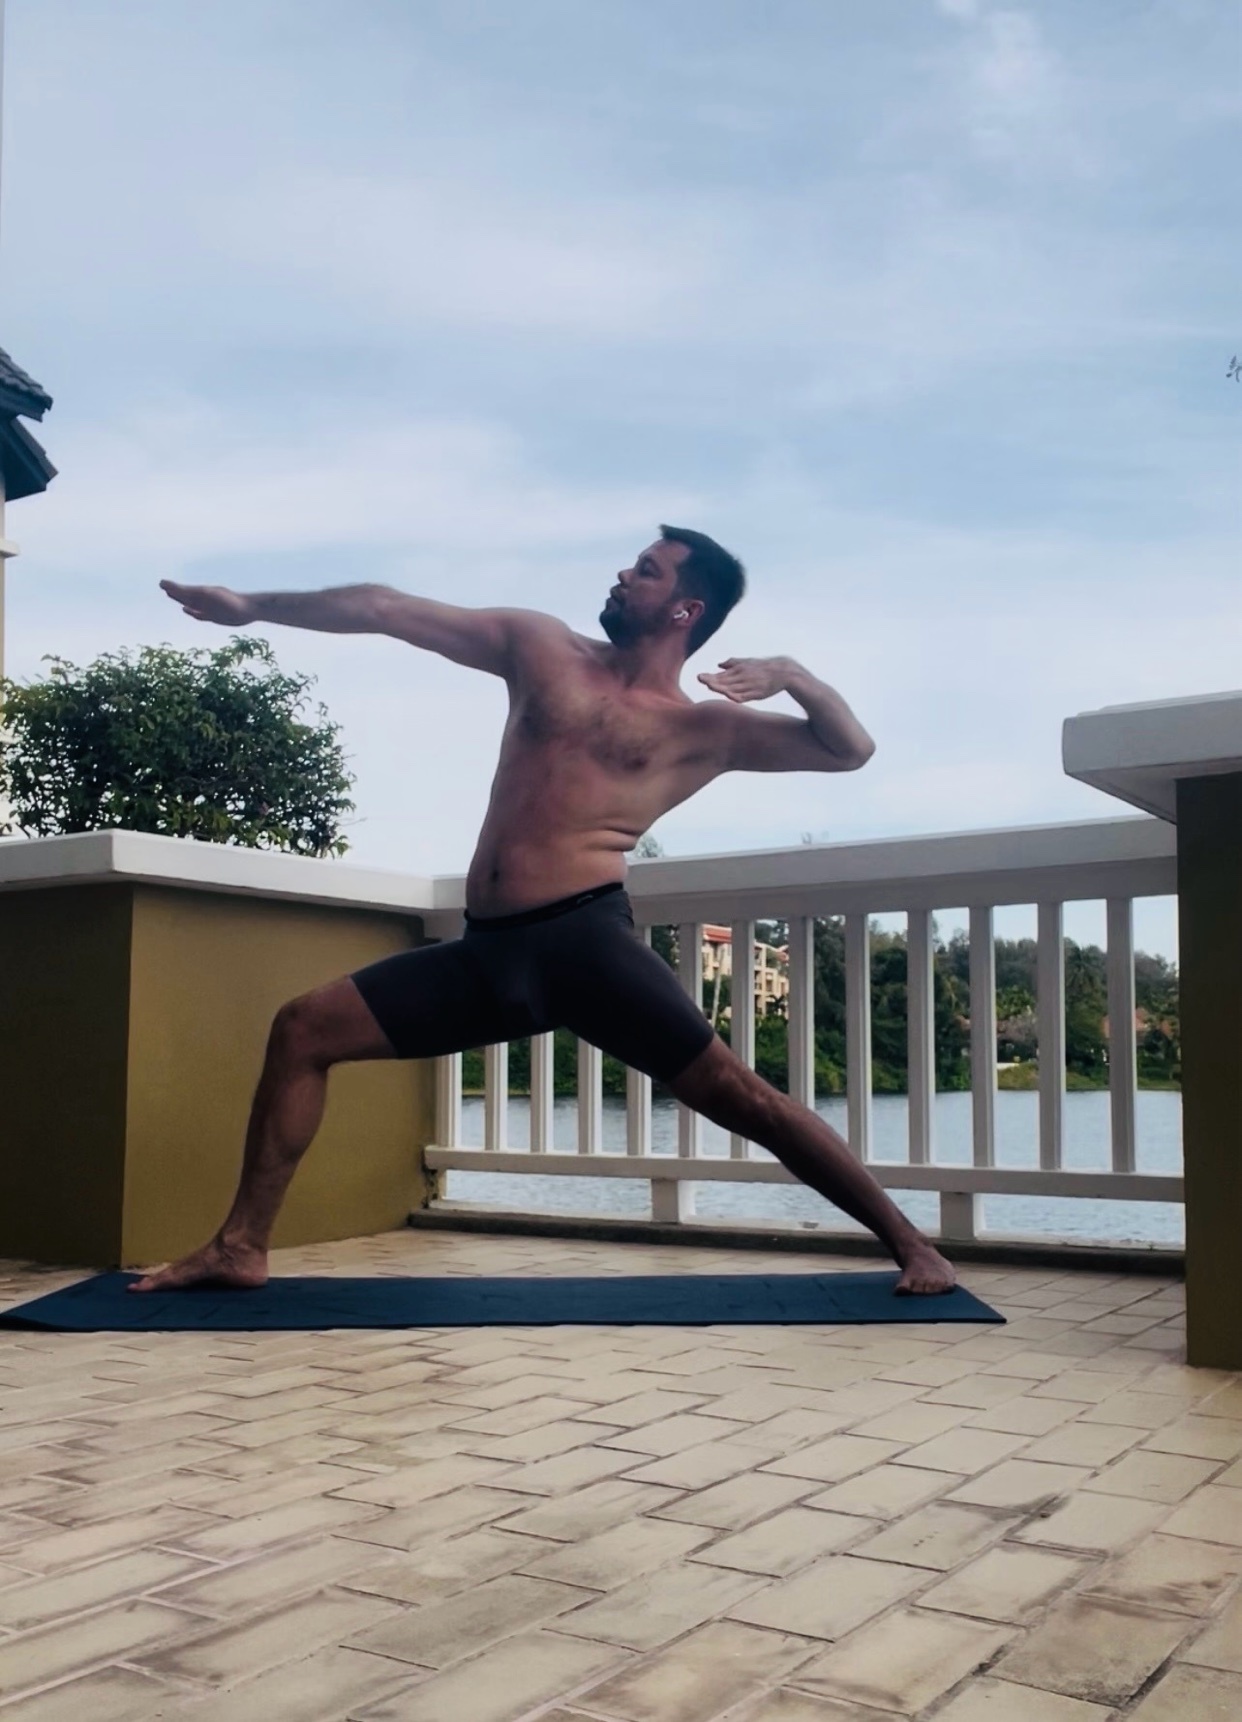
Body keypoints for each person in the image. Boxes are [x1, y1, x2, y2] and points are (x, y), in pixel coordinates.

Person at [132, 527, 955, 1296]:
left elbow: (849, 750)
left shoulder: (707, 728)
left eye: (646, 569)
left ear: (683, 608)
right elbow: (385, 609)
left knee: (744, 1097)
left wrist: (794, 675)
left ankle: (914, 1246)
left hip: (585, 944)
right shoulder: (541, 648)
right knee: (303, 1029)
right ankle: (241, 1245)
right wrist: (249, 607)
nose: (624, 575)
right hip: (486, 952)